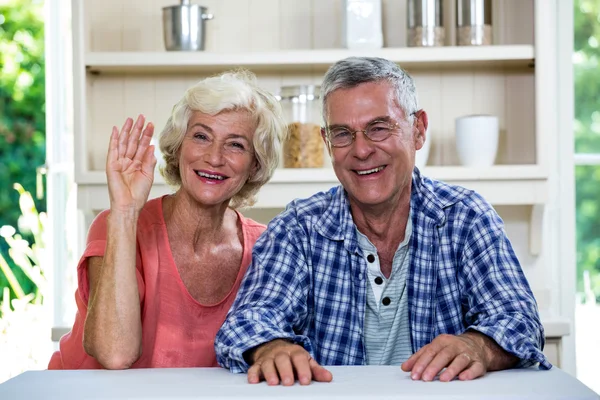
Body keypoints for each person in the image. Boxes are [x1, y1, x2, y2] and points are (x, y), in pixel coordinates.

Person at [215, 57, 550, 385]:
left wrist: (477, 346)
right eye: (343, 134)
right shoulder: (298, 228)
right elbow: (247, 322)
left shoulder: (467, 218)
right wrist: (271, 348)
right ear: (327, 142)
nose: (361, 151)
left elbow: (521, 321)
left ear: (418, 130)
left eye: (378, 128)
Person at [48, 70, 285, 369]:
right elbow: (114, 353)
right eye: (201, 136)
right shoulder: (119, 225)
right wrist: (124, 213)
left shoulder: (266, 248)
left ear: (255, 164)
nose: (214, 157)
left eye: (235, 144)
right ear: (178, 148)